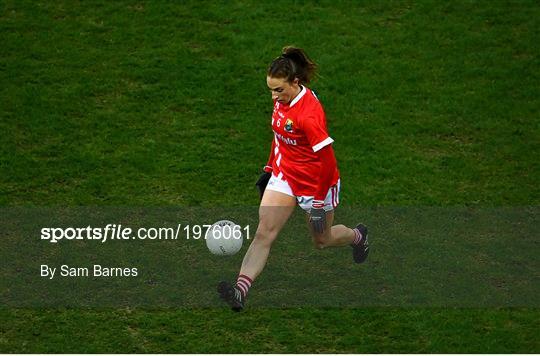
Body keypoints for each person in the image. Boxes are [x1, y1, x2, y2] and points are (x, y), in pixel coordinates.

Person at [218, 46, 369, 311]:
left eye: (279, 90)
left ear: (295, 82)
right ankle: (241, 290)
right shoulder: (282, 102)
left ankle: (358, 236)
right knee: (264, 232)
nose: (274, 97)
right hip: (286, 175)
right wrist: (269, 168)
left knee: (322, 241)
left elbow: (327, 162)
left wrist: (319, 203)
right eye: (271, 90)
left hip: (316, 183)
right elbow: (280, 137)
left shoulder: (308, 116)